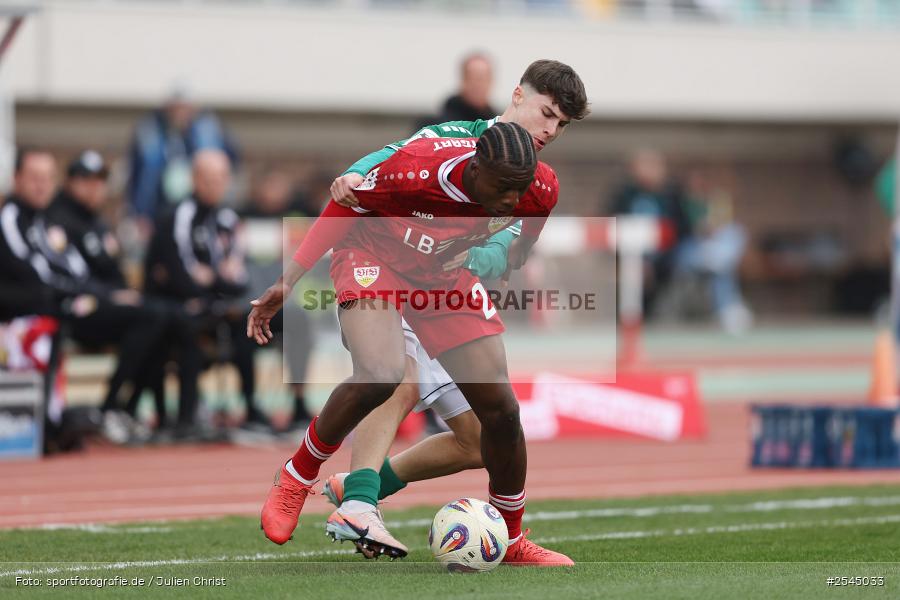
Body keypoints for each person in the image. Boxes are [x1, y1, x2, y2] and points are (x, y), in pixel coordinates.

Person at [249, 122, 572, 566]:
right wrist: (288, 282)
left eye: (520, 190)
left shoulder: (538, 186)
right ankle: (297, 474)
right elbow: (344, 207)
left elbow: (527, 230)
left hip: (443, 274)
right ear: (476, 169)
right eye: (502, 189)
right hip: (373, 255)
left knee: (502, 411)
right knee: (384, 374)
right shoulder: (417, 170)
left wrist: (510, 253)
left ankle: (510, 537)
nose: (512, 201)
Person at [320, 59, 588, 563]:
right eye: (547, 113)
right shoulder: (463, 138)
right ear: (517, 96)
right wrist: (355, 173)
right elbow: (396, 154)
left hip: (450, 296)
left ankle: (364, 489)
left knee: (478, 438)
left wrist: (484, 255)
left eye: (562, 123)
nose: (552, 129)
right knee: (393, 379)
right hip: (394, 270)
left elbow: (508, 250)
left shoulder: (536, 184)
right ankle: (358, 502)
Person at [0, 148, 168, 443]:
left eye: (46, 178)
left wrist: (102, 293)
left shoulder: (41, 221)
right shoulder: (12, 216)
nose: (41, 185)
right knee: (148, 315)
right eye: (34, 178)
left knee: (161, 314)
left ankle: (118, 411)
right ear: (16, 179)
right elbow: (36, 275)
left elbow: (71, 273)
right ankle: (69, 419)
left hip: (58, 305)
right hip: (23, 313)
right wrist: (102, 295)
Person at [144, 149, 264, 436]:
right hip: (177, 306)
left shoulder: (228, 220)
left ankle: (253, 405)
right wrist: (217, 279)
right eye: (208, 178)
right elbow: (180, 276)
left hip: (218, 305)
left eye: (221, 178)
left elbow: (239, 278)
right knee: (190, 323)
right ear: (195, 179)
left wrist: (214, 279)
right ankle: (187, 415)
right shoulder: (177, 216)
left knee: (261, 318)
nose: (214, 185)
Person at [127, 86, 239, 232]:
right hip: (160, 208)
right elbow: (138, 175)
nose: (180, 113)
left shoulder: (206, 131)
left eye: (184, 108)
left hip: (198, 209)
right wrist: (140, 212)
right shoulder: (150, 133)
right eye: (176, 108)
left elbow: (231, 159)